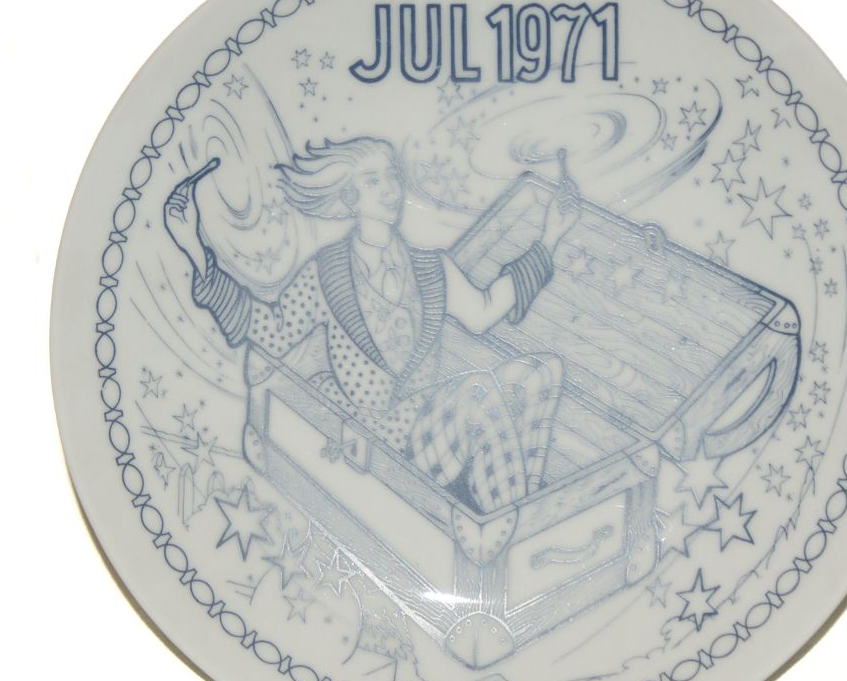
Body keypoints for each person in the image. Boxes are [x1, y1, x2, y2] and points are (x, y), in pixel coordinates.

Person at [163, 136, 580, 513]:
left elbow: (484, 310)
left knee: (542, 371)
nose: (389, 189)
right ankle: (513, 520)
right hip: (384, 450)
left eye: (392, 176)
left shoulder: (431, 268)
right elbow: (271, 330)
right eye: (372, 181)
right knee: (478, 392)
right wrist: (195, 250)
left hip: (430, 431)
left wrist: (550, 238)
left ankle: (520, 510)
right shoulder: (328, 272)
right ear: (350, 197)